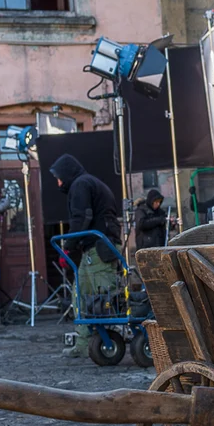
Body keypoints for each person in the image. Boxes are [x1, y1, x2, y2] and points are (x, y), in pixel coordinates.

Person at [49, 153, 122, 359]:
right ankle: (83, 343)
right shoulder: (88, 183)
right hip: (96, 246)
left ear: (67, 173)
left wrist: (68, 247)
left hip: (99, 247)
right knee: (81, 293)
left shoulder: (80, 184)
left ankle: (110, 340)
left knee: (103, 294)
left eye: (59, 177)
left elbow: (83, 217)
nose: (58, 182)